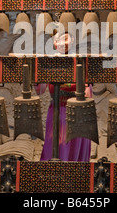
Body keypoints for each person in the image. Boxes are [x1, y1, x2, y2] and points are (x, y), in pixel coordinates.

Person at [36, 32, 92, 161]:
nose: (62, 43)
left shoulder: (80, 61)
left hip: (77, 110)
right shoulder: (48, 62)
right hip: (58, 108)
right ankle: (54, 177)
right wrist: (35, 77)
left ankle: (75, 177)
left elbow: (88, 91)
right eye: (58, 40)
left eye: (66, 39)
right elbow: (40, 90)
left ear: (72, 42)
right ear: (54, 44)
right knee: (56, 143)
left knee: (76, 143)